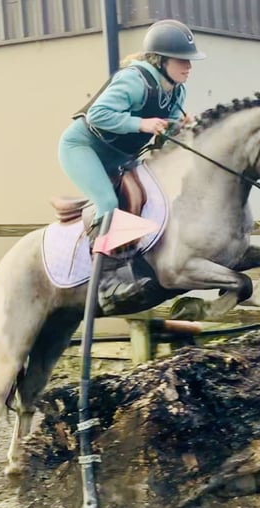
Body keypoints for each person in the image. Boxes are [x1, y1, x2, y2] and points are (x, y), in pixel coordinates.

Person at [58, 19, 206, 306]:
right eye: (182, 60)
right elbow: (98, 115)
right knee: (108, 204)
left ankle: (137, 267)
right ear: (161, 60)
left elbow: (160, 135)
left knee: (150, 198)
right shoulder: (134, 79)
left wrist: (178, 127)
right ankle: (106, 282)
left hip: (120, 157)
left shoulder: (178, 91)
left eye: (190, 61)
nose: (189, 67)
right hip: (83, 148)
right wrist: (142, 123)